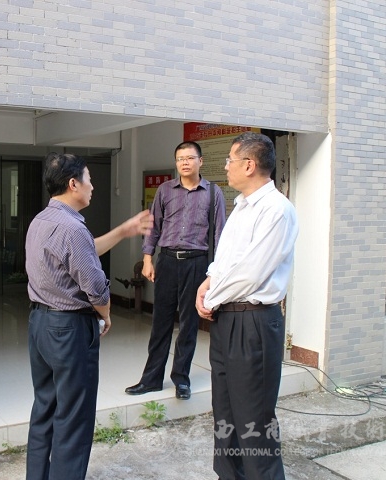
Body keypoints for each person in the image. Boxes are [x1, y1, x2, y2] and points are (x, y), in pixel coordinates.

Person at [25, 152, 154, 480]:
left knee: (45, 409)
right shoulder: (72, 228)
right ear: (73, 184)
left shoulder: (42, 221)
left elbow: (80, 252)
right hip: (68, 329)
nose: (92, 186)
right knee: (74, 418)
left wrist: (123, 230)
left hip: (40, 324)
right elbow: (96, 287)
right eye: (89, 179)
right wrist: (106, 314)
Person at [195, 132, 298, 480]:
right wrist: (208, 282)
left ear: (249, 165)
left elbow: (251, 273)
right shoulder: (241, 206)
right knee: (225, 414)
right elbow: (226, 260)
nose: (226, 166)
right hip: (226, 320)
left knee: (254, 421)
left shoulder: (277, 210)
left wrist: (212, 296)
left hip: (253, 322)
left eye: (230, 160)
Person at [126, 141, 226, 400]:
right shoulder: (165, 190)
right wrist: (147, 259)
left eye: (190, 158)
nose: (185, 163)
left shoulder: (213, 193)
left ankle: (181, 379)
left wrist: (215, 272)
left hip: (197, 262)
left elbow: (220, 235)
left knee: (189, 324)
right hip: (168, 261)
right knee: (160, 322)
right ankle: (151, 379)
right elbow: (154, 226)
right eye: (180, 158)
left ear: (200, 161)